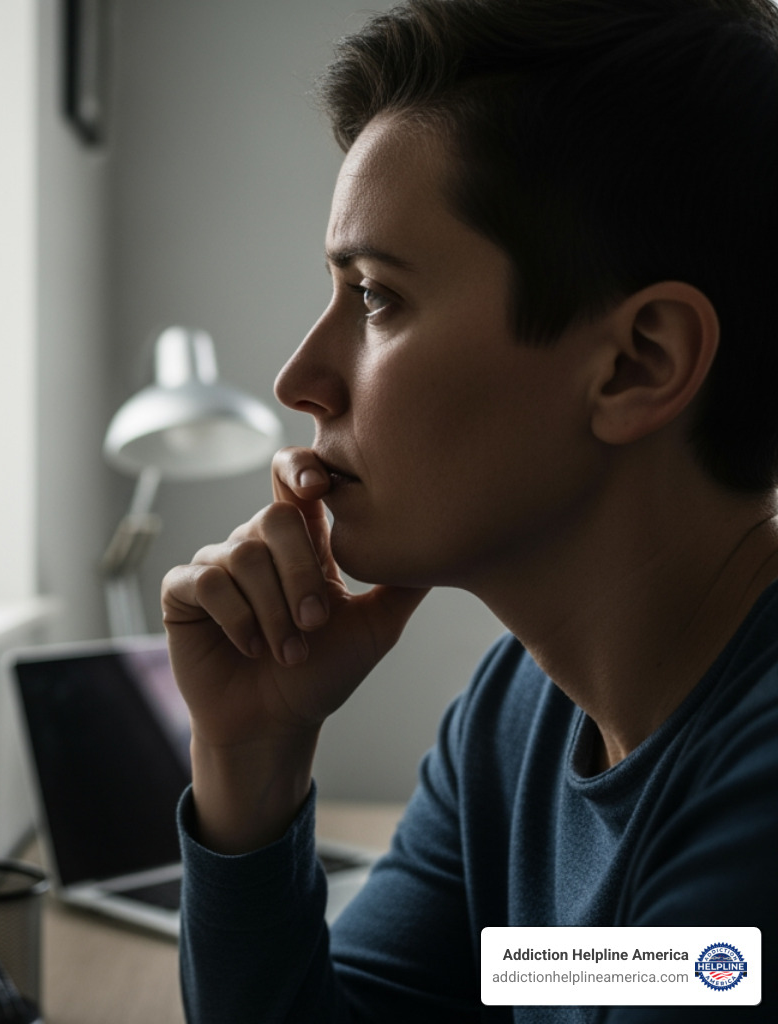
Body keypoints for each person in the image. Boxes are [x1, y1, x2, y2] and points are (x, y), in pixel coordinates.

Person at [161, 0, 778, 1019]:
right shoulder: (520, 714)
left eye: (375, 297)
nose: (298, 379)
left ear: (638, 362)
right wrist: (247, 762)